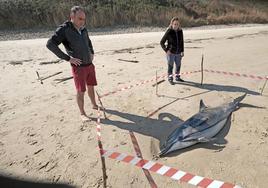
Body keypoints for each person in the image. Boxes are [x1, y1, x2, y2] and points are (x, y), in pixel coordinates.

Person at [46, 6, 99, 122]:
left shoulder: (83, 28)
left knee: (91, 86)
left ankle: (94, 104)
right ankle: (82, 113)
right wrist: (68, 58)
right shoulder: (64, 29)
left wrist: (92, 52)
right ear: (72, 17)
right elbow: (50, 44)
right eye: (80, 19)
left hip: (89, 64)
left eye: (84, 19)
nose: (82, 21)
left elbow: (88, 41)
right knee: (81, 91)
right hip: (78, 67)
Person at [160, 17, 184, 85]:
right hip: (171, 53)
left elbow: (182, 42)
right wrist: (166, 50)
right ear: (172, 24)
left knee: (178, 65)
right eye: (174, 24)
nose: (176, 25)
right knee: (170, 66)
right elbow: (162, 42)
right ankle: (170, 78)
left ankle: (177, 77)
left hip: (179, 53)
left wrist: (182, 51)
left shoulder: (180, 31)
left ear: (179, 25)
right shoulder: (169, 31)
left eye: (177, 24)